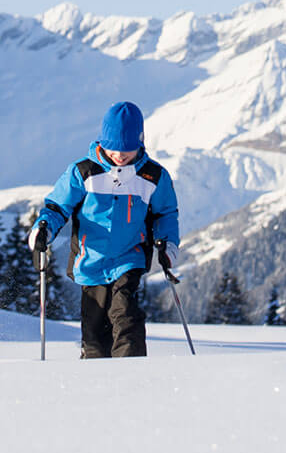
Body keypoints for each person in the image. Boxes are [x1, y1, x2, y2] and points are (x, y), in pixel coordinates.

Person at [31, 100, 179, 358]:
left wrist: (167, 244)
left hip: (129, 255)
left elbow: (165, 213)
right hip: (91, 259)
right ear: (102, 141)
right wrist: (44, 228)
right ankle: (95, 373)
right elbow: (57, 206)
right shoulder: (83, 172)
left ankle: (132, 371)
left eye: (128, 149)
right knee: (95, 329)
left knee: (125, 313)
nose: (120, 156)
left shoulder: (152, 176)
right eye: (113, 149)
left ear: (140, 143)